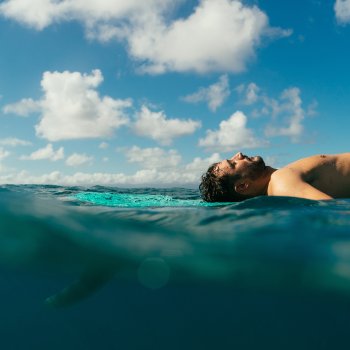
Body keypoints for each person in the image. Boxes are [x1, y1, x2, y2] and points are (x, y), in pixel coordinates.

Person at [199, 152, 350, 202]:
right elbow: (333, 210)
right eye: (233, 163)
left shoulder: (279, 181)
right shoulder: (281, 182)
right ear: (243, 186)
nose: (239, 154)